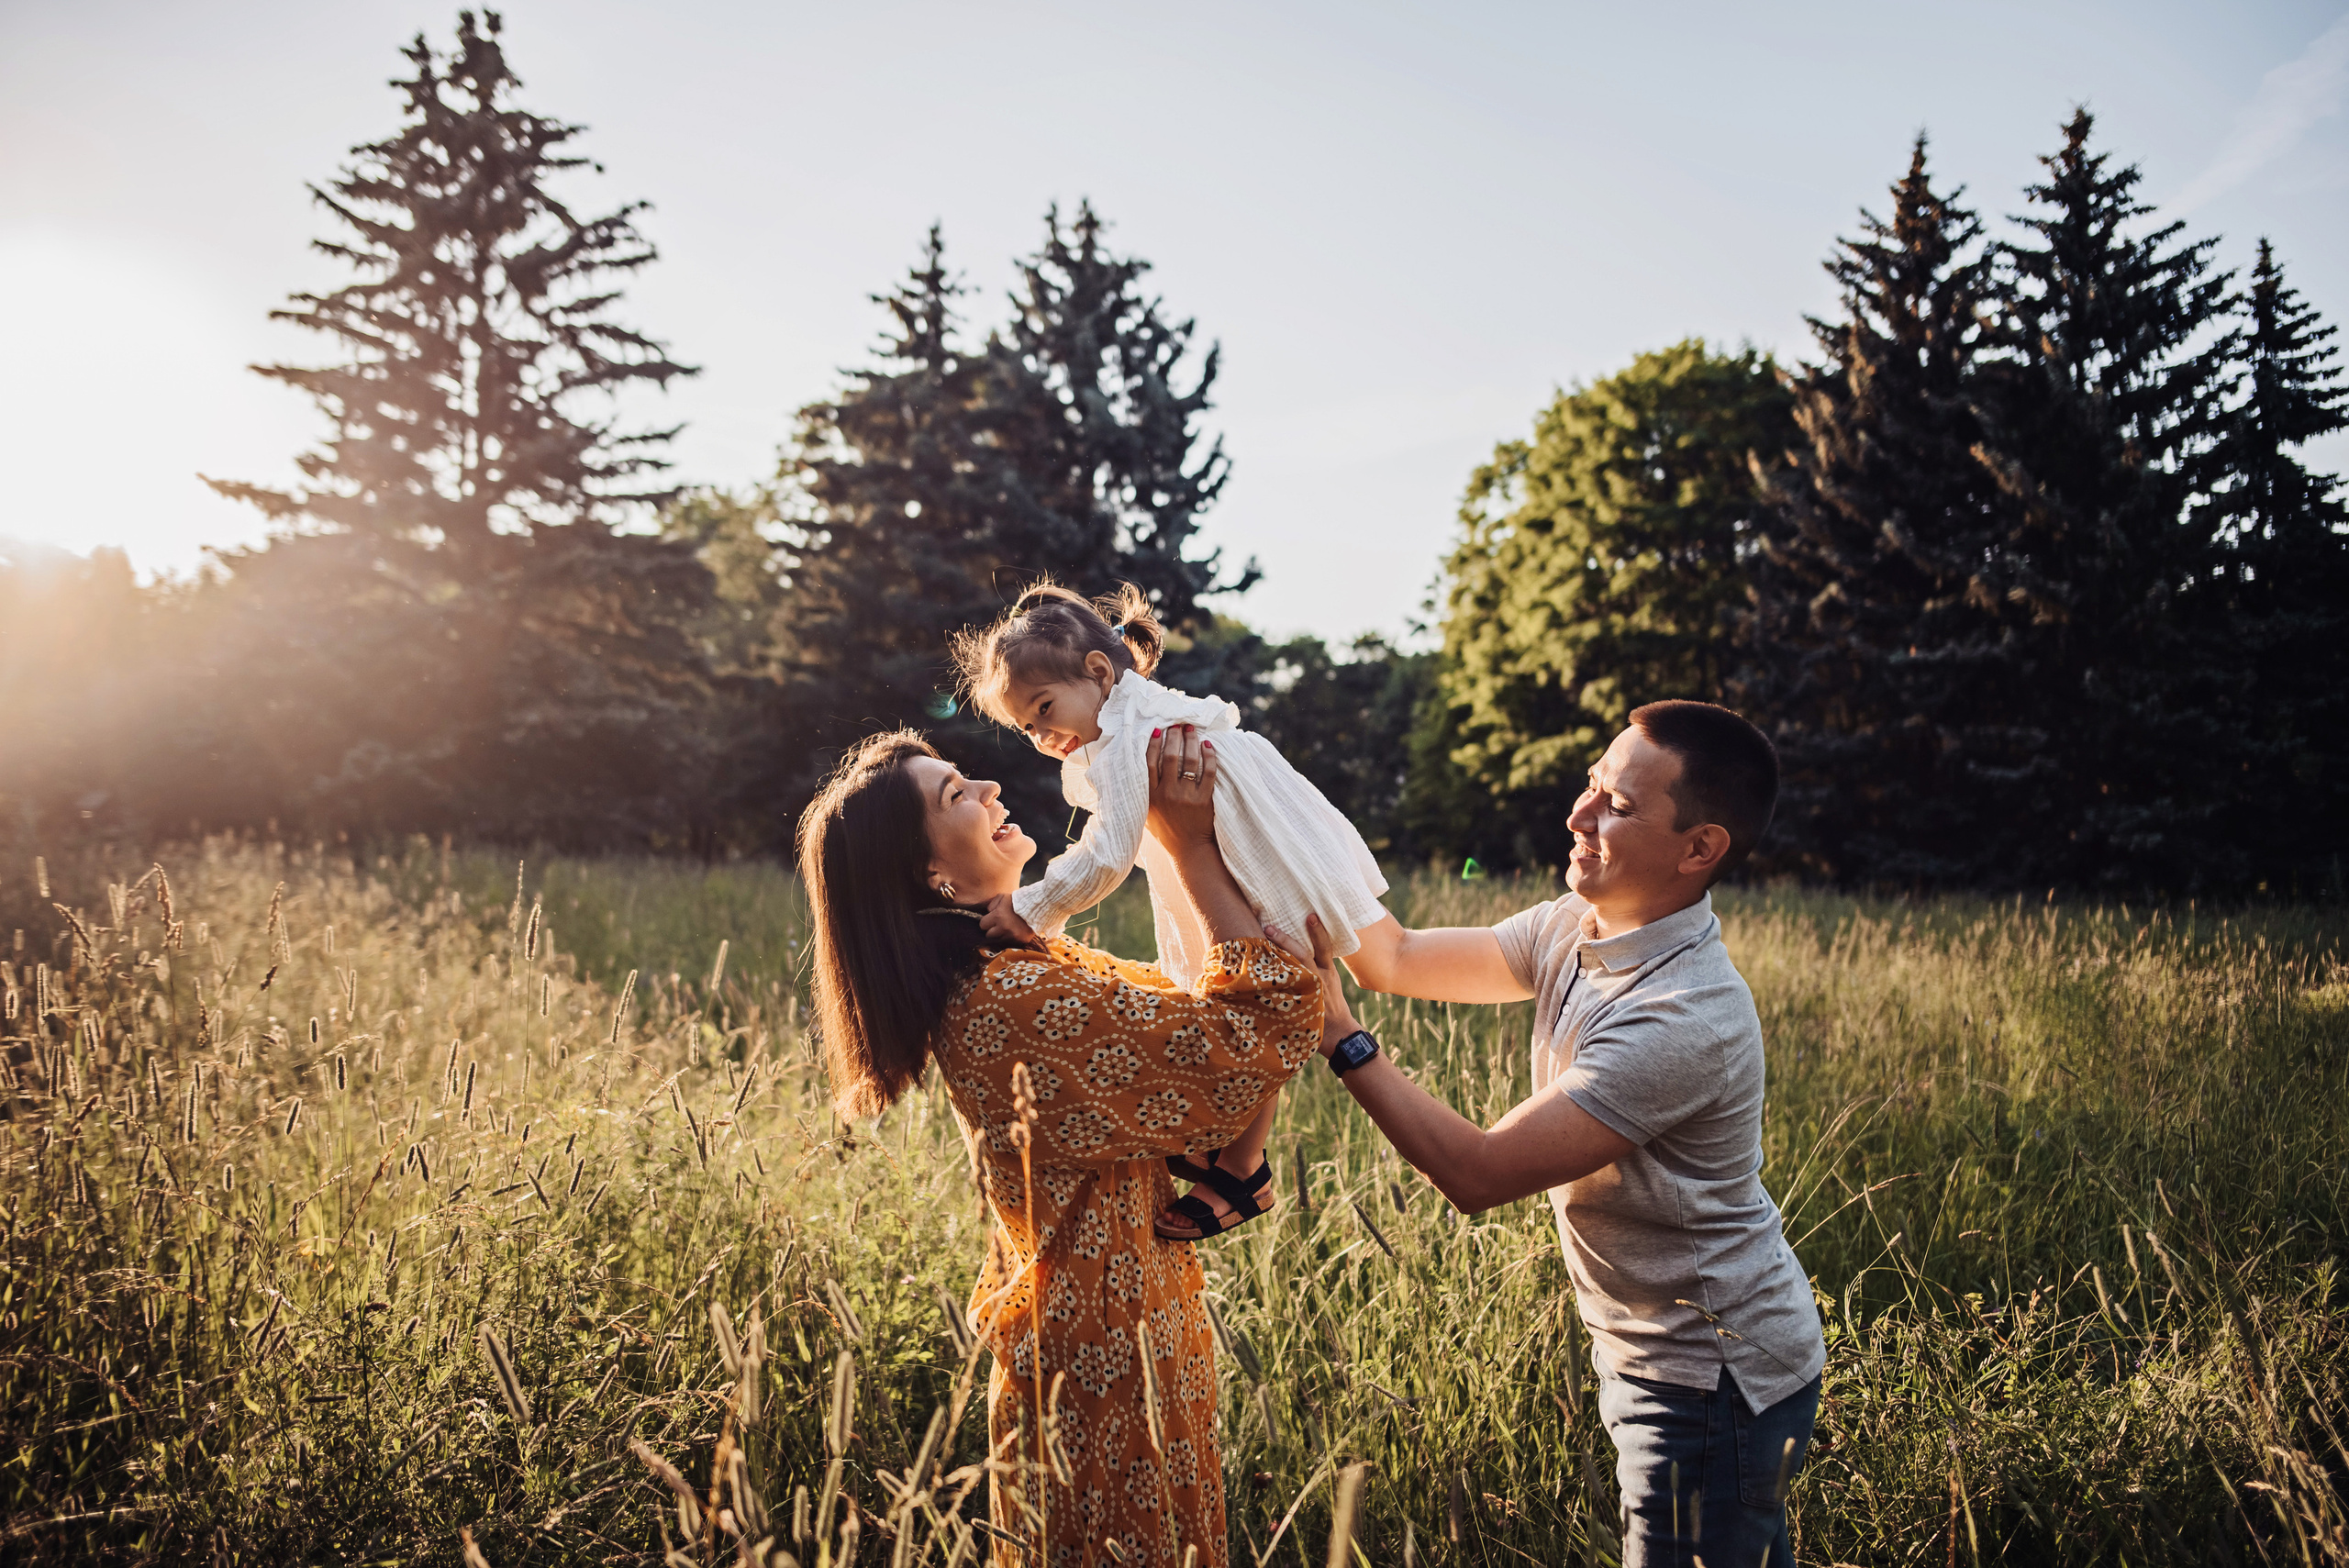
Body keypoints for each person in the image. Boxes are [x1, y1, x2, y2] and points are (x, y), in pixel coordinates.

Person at [796, 722, 1334, 1568]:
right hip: (1103, 1378)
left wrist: (1172, 837)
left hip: (1128, 1346)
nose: (991, 793)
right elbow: (1254, 1027)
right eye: (956, 797)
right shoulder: (1009, 1001)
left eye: (970, 779)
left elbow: (1204, 1022)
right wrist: (1189, 843)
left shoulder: (1024, 964)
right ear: (930, 874)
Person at [1302, 700, 1824, 1568]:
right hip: (1658, 1356)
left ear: (1701, 848)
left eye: (1616, 806)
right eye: (1590, 786)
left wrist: (1343, 1040)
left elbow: (1477, 1171)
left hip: (1713, 1377)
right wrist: (1265, 811)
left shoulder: (1684, 1015)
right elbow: (1389, 956)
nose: (1578, 816)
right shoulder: (1567, 926)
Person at [951, 580, 1390, 1240]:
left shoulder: (1132, 733)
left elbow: (1107, 854)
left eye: (1045, 709)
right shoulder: (1136, 712)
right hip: (1235, 854)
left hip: (1252, 869)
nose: (1042, 735)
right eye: (1028, 727)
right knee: (1231, 990)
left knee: (1251, 992)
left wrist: (1032, 908)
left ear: (1099, 672)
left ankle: (1242, 1167)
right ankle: (1227, 1146)